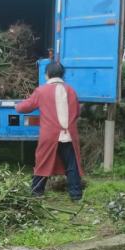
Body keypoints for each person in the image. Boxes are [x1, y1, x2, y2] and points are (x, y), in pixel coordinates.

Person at [16, 61, 84, 201]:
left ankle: (37, 193)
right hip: (69, 134)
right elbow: (77, 112)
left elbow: (26, 107)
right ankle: (76, 195)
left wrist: (16, 106)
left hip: (49, 135)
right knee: (72, 165)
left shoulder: (41, 91)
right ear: (62, 74)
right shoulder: (71, 90)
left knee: (42, 163)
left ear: (47, 74)